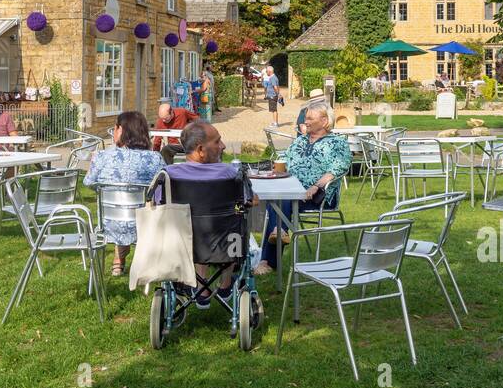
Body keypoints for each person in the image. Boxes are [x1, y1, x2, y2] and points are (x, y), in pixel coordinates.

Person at [159, 120, 250, 308]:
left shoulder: (168, 175)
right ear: (201, 149)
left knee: (196, 226)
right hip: (224, 244)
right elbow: (249, 200)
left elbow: (157, 204)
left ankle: (201, 288)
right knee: (233, 223)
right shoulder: (229, 174)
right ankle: (225, 287)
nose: (223, 146)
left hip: (179, 244)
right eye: (217, 142)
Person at [254, 104, 351, 274]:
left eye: (310, 118)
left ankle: (268, 259)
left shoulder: (337, 142)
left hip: (319, 196)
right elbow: (284, 160)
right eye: (305, 118)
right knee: (275, 196)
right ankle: (279, 232)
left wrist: (317, 185)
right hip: (290, 191)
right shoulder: (301, 140)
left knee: (279, 199)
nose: (305, 122)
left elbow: (340, 166)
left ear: (325, 121)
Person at [85, 110, 165, 276]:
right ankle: (137, 263)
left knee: (121, 211)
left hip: (108, 224)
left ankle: (118, 261)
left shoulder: (102, 157)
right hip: (144, 225)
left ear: (121, 130)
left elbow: (88, 182)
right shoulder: (155, 159)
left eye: (115, 128)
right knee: (137, 210)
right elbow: (164, 188)